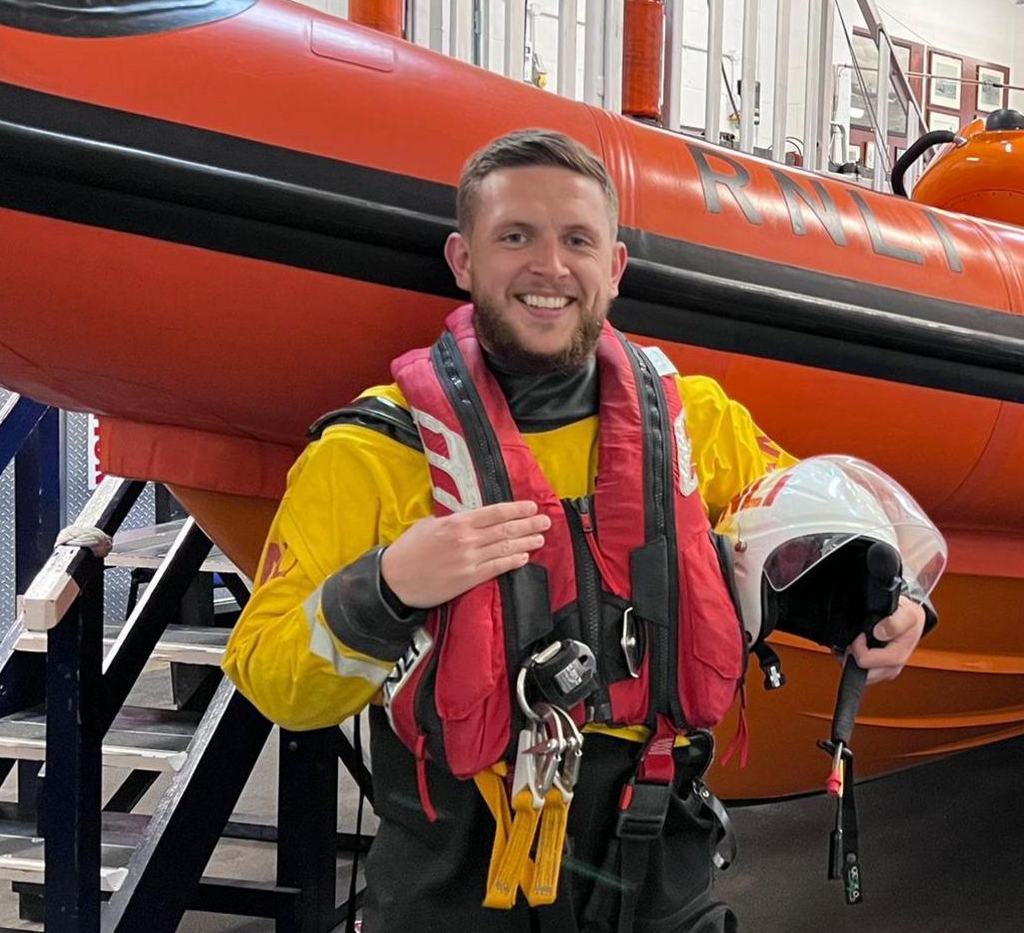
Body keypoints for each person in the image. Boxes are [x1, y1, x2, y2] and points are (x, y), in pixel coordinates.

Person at [223, 129, 933, 932]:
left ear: (615, 267)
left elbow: (810, 539)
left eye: (577, 240)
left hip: (660, 873)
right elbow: (275, 679)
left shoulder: (695, 423)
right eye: (515, 236)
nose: (549, 267)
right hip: (457, 889)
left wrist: (886, 611)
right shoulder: (371, 453)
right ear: (462, 260)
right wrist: (386, 588)